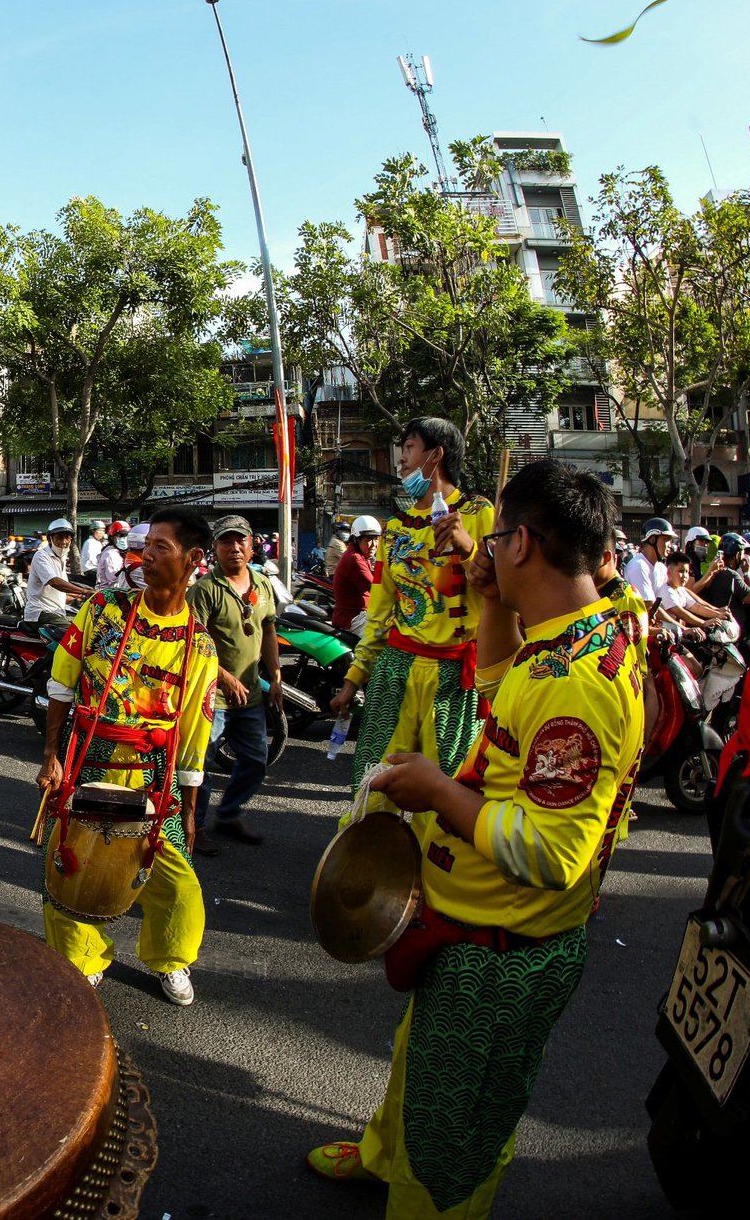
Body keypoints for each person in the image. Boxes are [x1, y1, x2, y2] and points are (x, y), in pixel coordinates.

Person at [308, 460, 645, 1220]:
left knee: (453, 1139)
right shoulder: (567, 638)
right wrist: (491, 604)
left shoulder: (579, 677)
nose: (482, 552)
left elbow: (551, 854)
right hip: (467, 924)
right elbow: (503, 697)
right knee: (416, 1069)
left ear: (521, 541)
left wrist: (435, 791)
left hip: (502, 950)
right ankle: (381, 1156)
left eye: (493, 542)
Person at [38, 507, 219, 1004]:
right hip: (92, 755)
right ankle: (81, 958)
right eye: (147, 544)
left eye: (162, 547)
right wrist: (51, 755)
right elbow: (61, 683)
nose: (147, 555)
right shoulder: (104, 609)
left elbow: (195, 732)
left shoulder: (199, 645)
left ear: (193, 560)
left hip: (154, 771)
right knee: (72, 861)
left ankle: (170, 958)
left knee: (176, 879)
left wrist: (189, 803)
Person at [330, 418, 496, 803]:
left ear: (435, 455)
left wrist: (469, 546)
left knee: (448, 789)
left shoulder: (479, 513)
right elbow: (380, 615)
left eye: (408, 448)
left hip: (456, 676)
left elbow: (503, 593)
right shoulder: (397, 529)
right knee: (374, 782)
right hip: (396, 669)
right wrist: (353, 680)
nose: (401, 459)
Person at [186, 515, 281, 850]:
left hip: (250, 693)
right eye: (226, 541)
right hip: (211, 696)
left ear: (252, 545)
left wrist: (277, 675)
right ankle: (192, 828)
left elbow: (269, 629)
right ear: (215, 548)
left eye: (240, 540)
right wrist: (224, 677)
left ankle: (228, 815)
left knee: (256, 760)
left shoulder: (263, 584)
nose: (235, 547)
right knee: (201, 764)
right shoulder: (204, 591)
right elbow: (192, 642)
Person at [23, 519, 96, 630]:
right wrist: (85, 592)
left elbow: (56, 592)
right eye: (59, 537)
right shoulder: (41, 556)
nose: (64, 542)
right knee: (76, 636)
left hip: (57, 612)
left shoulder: (61, 559)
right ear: (49, 539)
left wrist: (78, 597)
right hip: (40, 613)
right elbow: (54, 582)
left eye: (67, 537)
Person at [333, 515, 381, 632]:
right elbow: (376, 587)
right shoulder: (355, 558)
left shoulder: (362, 557)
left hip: (361, 614)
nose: (374, 545)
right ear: (356, 539)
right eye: (368, 540)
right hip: (353, 618)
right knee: (385, 638)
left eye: (376, 539)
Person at [622, 517, 674, 604]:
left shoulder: (661, 567)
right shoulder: (638, 566)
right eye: (666, 539)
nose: (670, 545)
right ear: (652, 540)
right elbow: (648, 605)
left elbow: (674, 596)